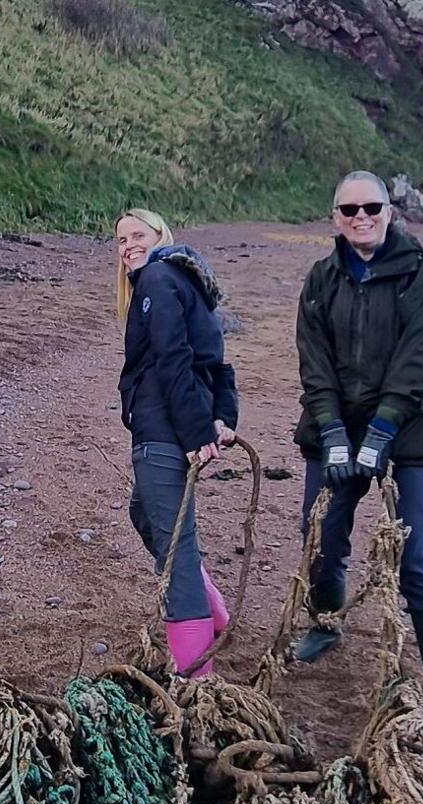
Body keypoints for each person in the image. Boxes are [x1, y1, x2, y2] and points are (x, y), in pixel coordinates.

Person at [290, 171, 423, 727]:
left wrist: (383, 433)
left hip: (411, 428)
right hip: (338, 424)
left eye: (371, 208)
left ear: (390, 211)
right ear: (334, 217)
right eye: (348, 210)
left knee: (415, 553)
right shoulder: (321, 279)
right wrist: (334, 433)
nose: (360, 218)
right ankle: (326, 622)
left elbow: (421, 360)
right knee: (319, 534)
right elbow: (313, 363)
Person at [114, 208, 240, 677]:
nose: (127, 245)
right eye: (120, 239)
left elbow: (174, 358)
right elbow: (218, 366)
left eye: (137, 235)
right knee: (144, 514)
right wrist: (221, 418)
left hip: (165, 432)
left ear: (161, 236)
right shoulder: (190, 282)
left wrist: (195, 433)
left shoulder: (159, 278)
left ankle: (197, 684)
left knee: (177, 553)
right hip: (175, 427)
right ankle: (216, 614)